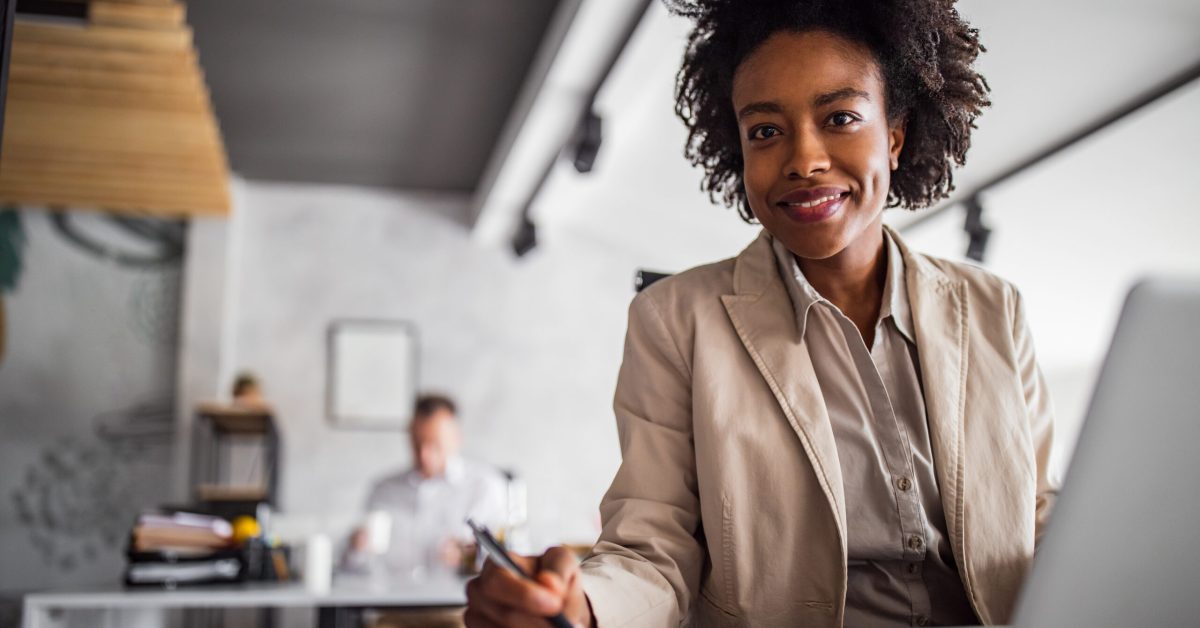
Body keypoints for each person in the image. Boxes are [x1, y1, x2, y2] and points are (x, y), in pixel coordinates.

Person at [465, 1, 1057, 626]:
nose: (804, 160)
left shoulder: (994, 308)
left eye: (840, 118)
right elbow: (655, 550)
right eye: (766, 132)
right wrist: (585, 607)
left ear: (895, 135)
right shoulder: (675, 322)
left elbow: (1038, 513)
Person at [344, 393, 508, 576]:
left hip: (458, 594)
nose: (424, 455)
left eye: (434, 445)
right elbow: (353, 568)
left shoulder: (486, 486)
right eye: (417, 444)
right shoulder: (384, 490)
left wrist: (470, 558)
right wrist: (356, 549)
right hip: (390, 593)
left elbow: (509, 560)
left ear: (456, 438)